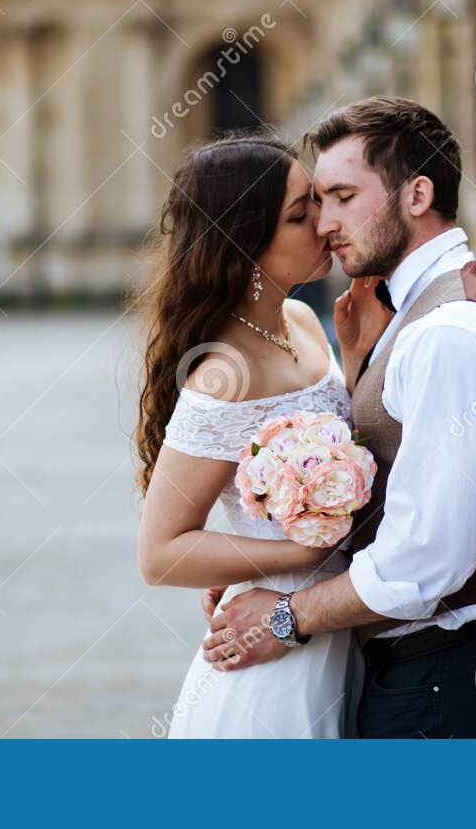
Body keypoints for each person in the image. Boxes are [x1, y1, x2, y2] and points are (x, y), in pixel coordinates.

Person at [202, 97, 476, 738]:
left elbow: (424, 561)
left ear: (417, 194)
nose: (323, 223)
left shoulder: (450, 334)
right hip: (425, 668)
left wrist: (284, 615)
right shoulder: (408, 314)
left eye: (343, 196)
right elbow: (387, 474)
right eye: (317, 201)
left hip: (449, 674)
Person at [134, 134, 381, 737]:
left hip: (349, 619)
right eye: (300, 215)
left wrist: (354, 359)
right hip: (277, 644)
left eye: (318, 203)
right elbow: (160, 553)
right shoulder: (222, 373)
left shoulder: (301, 320)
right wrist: (299, 554)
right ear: (243, 240)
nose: (324, 224)